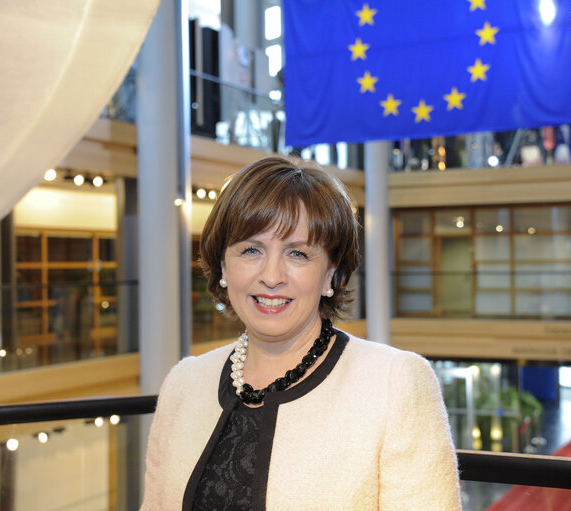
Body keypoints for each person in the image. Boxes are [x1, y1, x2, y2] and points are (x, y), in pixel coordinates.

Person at [141, 156, 461, 510]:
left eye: (297, 253)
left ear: (330, 274)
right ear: (222, 266)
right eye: (251, 250)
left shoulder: (394, 383)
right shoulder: (183, 384)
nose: (272, 275)